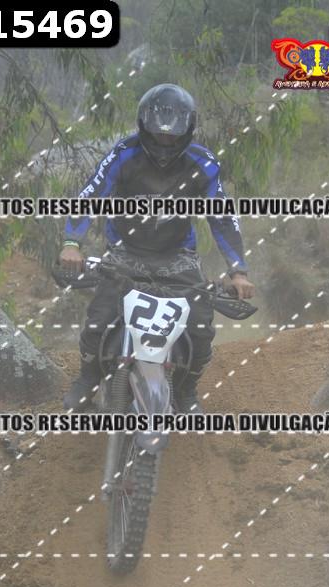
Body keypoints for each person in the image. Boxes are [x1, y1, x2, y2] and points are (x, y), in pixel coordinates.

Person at [60, 83, 255, 412]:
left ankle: (186, 390)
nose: (165, 142)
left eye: (172, 136)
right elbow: (91, 194)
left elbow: (222, 218)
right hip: (125, 250)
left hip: (177, 256)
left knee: (200, 324)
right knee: (101, 316)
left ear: (187, 130)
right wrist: (71, 243)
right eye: (158, 134)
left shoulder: (203, 163)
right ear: (144, 126)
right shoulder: (123, 153)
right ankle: (88, 379)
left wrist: (238, 271)